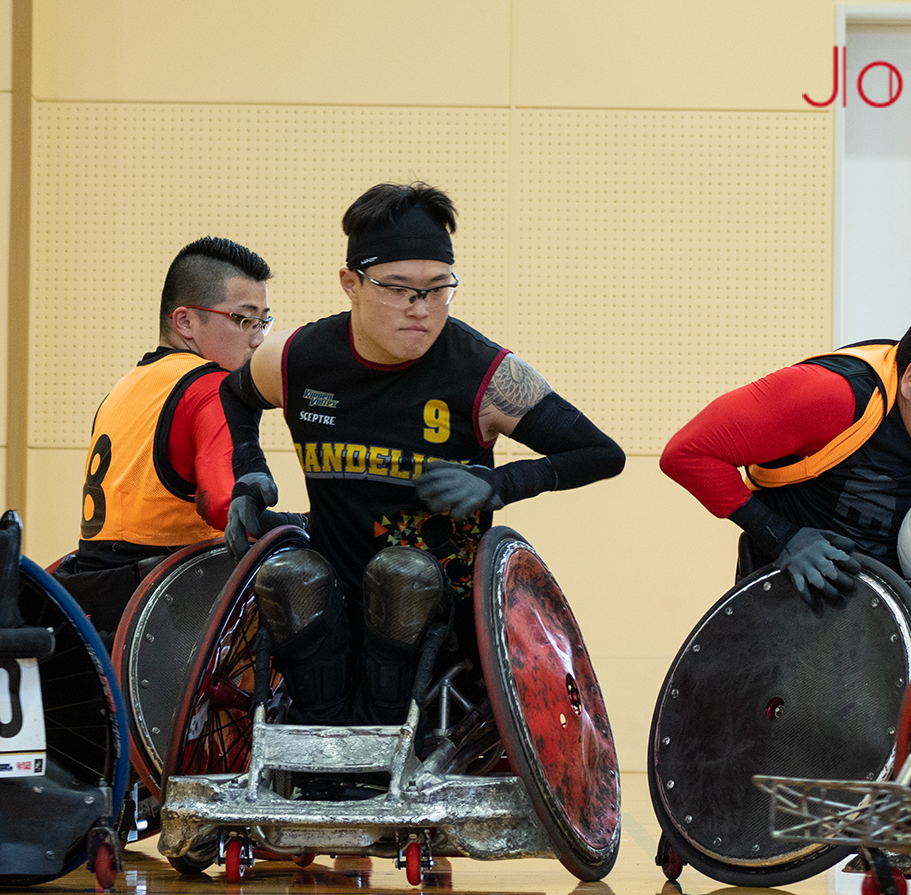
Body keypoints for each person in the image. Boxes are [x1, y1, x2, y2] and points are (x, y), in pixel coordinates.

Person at [220, 182, 625, 726]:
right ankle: (325, 740)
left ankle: (383, 736)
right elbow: (235, 394)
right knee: (288, 575)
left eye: (438, 289)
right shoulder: (298, 358)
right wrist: (248, 472)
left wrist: (499, 483)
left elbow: (601, 453)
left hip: (440, 608)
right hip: (335, 587)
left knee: (401, 575)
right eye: (399, 289)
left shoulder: (485, 373)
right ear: (351, 284)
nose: (422, 309)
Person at [659, 294, 911, 602]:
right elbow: (688, 453)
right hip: (787, 623)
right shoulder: (831, 396)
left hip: (898, 630)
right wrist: (781, 537)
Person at [57, 236, 302, 642]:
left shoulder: (125, 386)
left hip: (96, 599)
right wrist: (306, 524)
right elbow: (231, 510)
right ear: (185, 321)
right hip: (170, 611)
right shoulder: (210, 386)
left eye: (263, 322)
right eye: (243, 320)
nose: (258, 338)